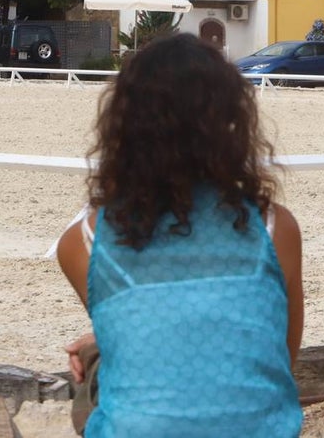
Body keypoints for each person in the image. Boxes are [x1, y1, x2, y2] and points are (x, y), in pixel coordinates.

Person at [55, 33, 304, 437]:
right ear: (230, 122)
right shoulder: (276, 229)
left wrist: (95, 345)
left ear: (125, 126)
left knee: (92, 384)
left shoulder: (83, 240)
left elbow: (139, 319)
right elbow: (279, 358)